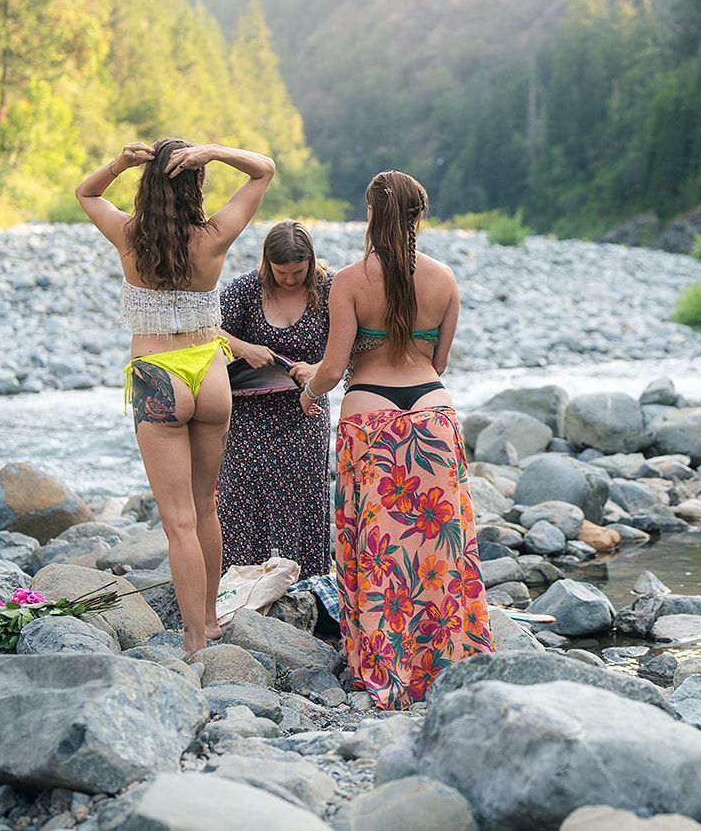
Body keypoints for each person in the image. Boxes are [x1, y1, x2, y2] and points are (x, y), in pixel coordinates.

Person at [301, 170, 492, 708]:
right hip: (432, 414)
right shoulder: (445, 279)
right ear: (419, 216)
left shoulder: (349, 280)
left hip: (372, 417)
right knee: (441, 545)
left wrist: (309, 389)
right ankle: (446, 658)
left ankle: (388, 663)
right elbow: (439, 361)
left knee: (380, 548)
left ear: (370, 214)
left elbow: (335, 368)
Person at [75, 138, 274, 655]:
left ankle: (192, 643)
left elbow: (86, 193)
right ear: (197, 184)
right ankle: (208, 620)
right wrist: (215, 151)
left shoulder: (128, 235)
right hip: (210, 374)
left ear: (147, 184)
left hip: (158, 375)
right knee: (207, 507)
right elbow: (263, 171)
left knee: (179, 522)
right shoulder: (212, 238)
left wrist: (118, 163)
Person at [218, 220, 333, 576]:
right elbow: (205, 328)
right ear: (267, 264)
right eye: (281, 272)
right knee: (242, 492)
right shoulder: (246, 289)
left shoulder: (329, 289)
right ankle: (239, 581)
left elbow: (351, 345)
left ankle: (304, 580)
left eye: (298, 272)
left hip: (306, 408)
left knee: (302, 493)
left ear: (311, 262)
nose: (290, 279)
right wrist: (244, 348)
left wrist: (318, 368)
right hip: (249, 411)